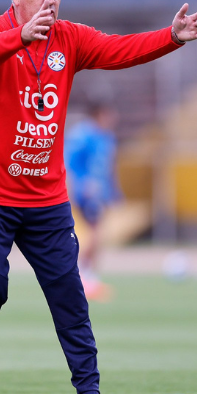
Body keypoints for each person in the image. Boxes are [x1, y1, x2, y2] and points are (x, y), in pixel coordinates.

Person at [0, 0, 197, 394]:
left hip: (45, 200)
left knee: (70, 296)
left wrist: (170, 38)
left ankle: (89, 392)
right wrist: (20, 36)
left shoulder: (68, 39)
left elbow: (119, 49)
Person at [65, 100, 121, 301]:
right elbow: (68, 163)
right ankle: (81, 275)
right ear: (99, 114)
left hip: (100, 193)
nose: (113, 118)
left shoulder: (107, 138)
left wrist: (114, 193)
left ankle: (87, 275)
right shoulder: (81, 135)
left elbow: (108, 168)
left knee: (97, 235)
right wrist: (78, 187)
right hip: (85, 193)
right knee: (94, 235)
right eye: (109, 114)